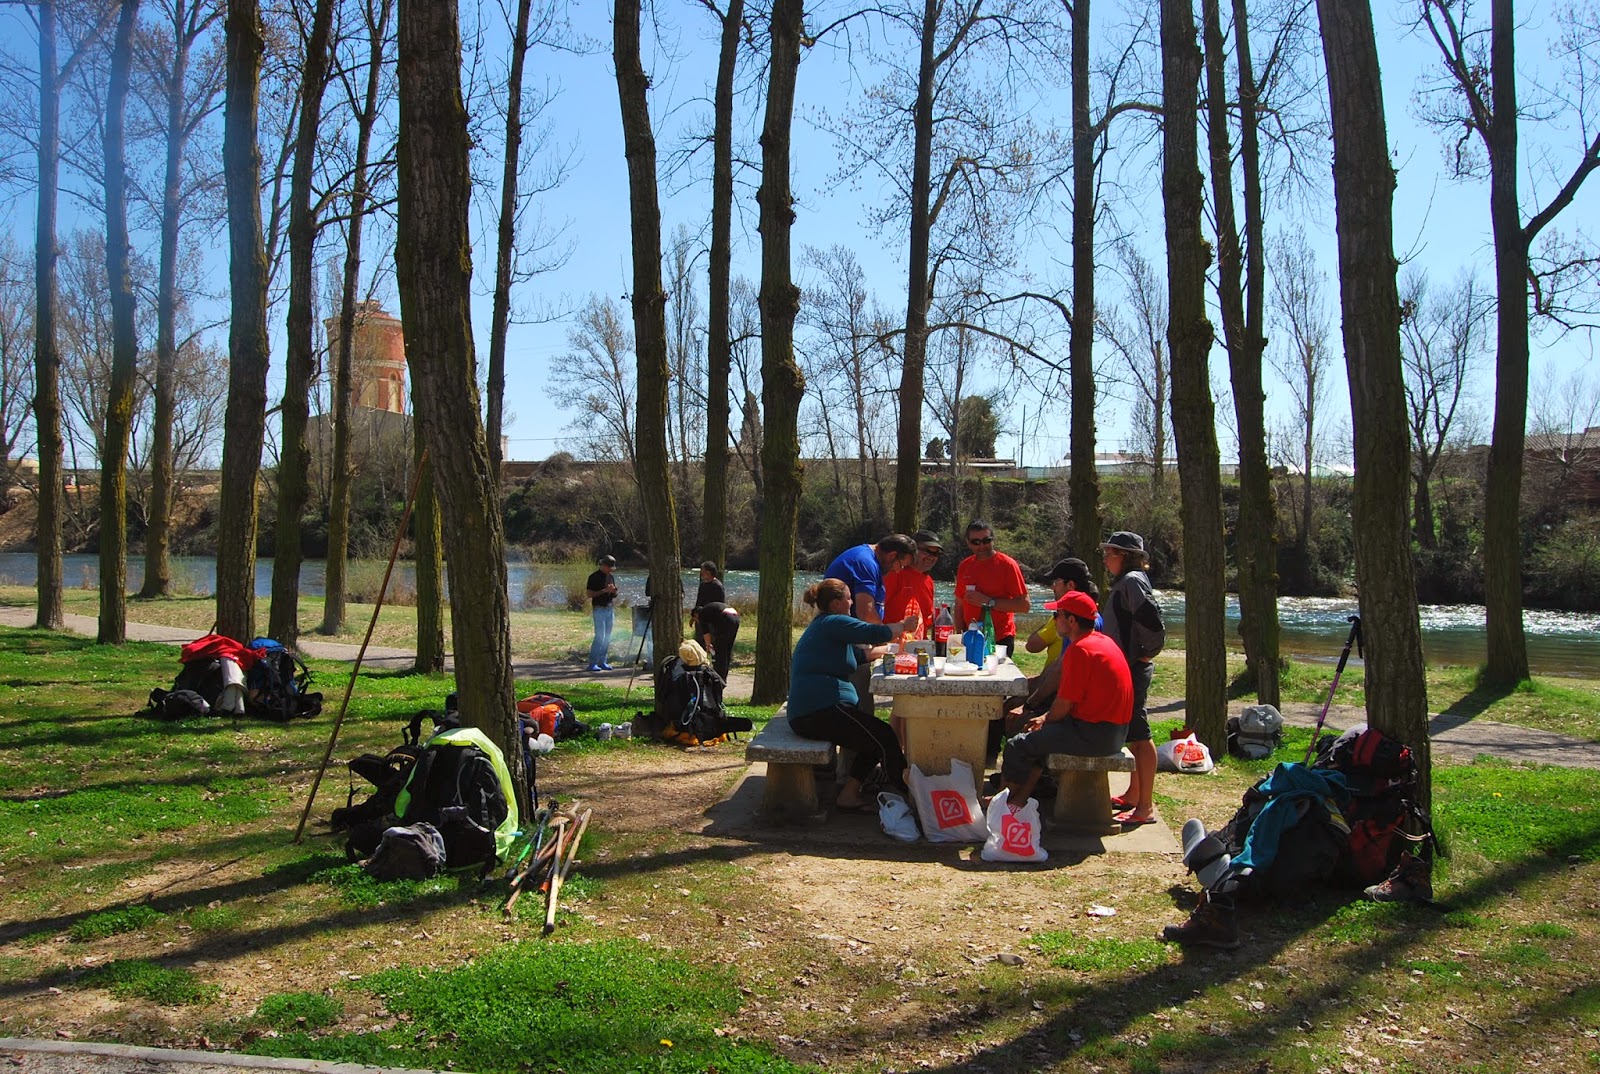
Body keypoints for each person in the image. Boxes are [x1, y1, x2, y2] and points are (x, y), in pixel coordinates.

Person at [788, 578, 920, 811]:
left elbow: (858, 657)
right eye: (848, 597)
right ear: (837, 603)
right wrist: (903, 626)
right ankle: (912, 794)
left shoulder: (826, 625)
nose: (851, 602)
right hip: (818, 711)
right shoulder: (833, 621)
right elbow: (871, 632)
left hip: (821, 709)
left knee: (874, 738)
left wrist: (891, 649)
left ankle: (849, 795)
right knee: (884, 736)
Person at [994, 590, 1133, 805]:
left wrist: (1043, 719)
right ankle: (1019, 799)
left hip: (1095, 735)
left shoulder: (1080, 650)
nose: (1054, 620)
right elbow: (1072, 701)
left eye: (1056, 615)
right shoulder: (1103, 641)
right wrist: (1043, 719)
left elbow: (1064, 704)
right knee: (1038, 734)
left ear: (1071, 620)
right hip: (1114, 732)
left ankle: (1001, 803)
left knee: (1017, 745)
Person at [1101, 531, 1163, 825]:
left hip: (1132, 668)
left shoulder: (1132, 581)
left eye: (1109, 553)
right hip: (1125, 666)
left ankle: (1145, 808)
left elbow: (1152, 620)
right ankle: (1133, 795)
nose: (1105, 558)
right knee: (1133, 735)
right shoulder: (1127, 582)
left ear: (1123, 556)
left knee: (1140, 736)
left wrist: (1145, 654)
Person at [953, 520, 1030, 655]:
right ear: (968, 543)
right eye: (976, 542)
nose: (982, 545)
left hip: (999, 638)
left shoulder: (1007, 565)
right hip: (969, 636)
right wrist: (959, 637)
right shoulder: (965, 566)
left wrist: (989, 602)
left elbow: (1024, 606)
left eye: (986, 540)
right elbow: (959, 605)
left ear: (993, 539)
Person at [824, 534, 918, 624]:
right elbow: (866, 614)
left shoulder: (872, 562)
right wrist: (886, 635)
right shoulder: (866, 564)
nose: (898, 571)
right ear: (892, 555)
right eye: (901, 565)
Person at [883, 531, 942, 633]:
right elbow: (877, 609)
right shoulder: (895, 573)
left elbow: (928, 621)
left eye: (935, 553)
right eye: (927, 551)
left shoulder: (929, 581)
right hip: (893, 643)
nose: (931, 557)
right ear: (913, 550)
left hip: (920, 646)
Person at [691, 601, 741, 682]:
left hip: (725, 618)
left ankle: (719, 678)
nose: (698, 622)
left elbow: (706, 633)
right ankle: (724, 676)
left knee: (720, 651)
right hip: (736, 617)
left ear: (696, 615)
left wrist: (708, 646)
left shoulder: (702, 614)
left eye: (695, 619)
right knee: (727, 649)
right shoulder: (710, 611)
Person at [585, 555, 619, 672]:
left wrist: (614, 591)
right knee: (600, 636)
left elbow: (613, 595)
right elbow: (589, 594)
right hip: (599, 609)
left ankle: (602, 661)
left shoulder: (611, 577)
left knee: (608, 637)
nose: (611, 570)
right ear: (603, 566)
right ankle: (592, 662)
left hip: (610, 609)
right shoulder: (594, 577)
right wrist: (604, 590)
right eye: (609, 567)